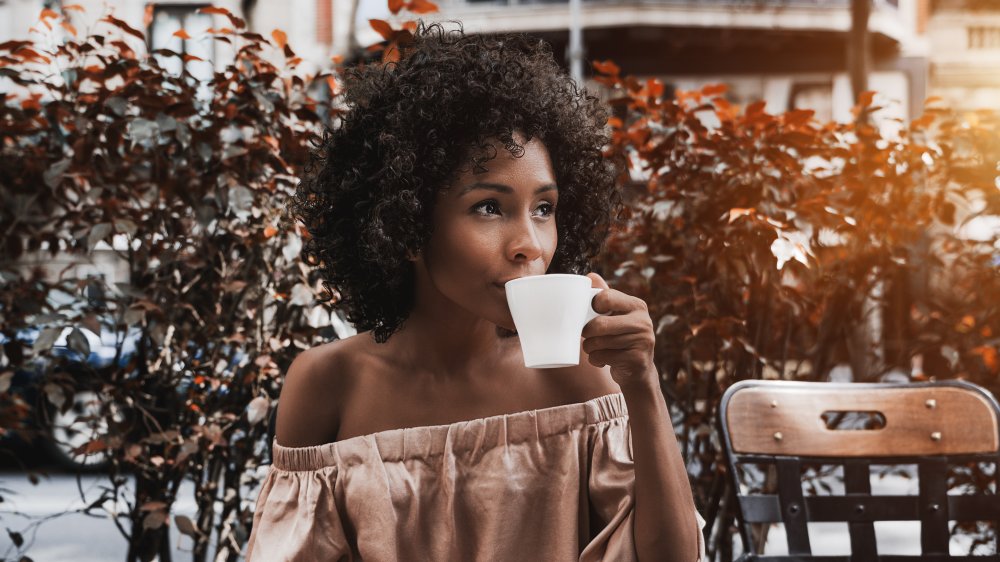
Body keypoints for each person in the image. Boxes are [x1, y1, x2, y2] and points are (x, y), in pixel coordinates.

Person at [245, 21, 706, 561]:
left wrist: (642, 386)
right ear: (407, 223)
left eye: (544, 208)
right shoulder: (329, 384)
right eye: (489, 207)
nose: (530, 245)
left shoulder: (580, 376)